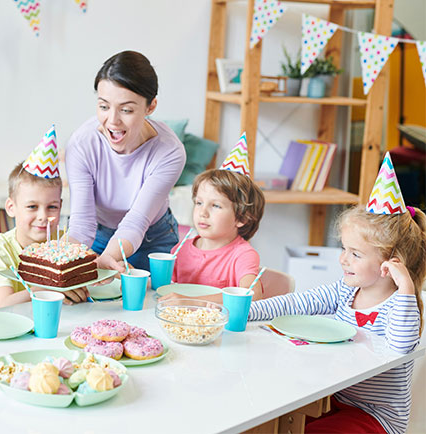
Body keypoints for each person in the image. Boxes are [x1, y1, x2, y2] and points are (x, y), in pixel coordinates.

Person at [249, 155, 425, 434]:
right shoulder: (346, 291)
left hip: (374, 416)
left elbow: (400, 348)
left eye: (355, 254)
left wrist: (404, 284)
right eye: (344, 249)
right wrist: (246, 310)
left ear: (390, 263)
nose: (343, 259)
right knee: (263, 417)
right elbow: (297, 303)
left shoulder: (399, 307)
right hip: (331, 398)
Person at [65, 51, 186, 272]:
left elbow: (136, 222)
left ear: (150, 107)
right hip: (98, 234)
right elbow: (82, 224)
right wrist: (65, 265)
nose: (112, 120)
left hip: (153, 237)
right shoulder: (82, 144)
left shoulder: (170, 152)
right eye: (104, 106)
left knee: (149, 302)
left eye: (126, 110)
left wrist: (106, 260)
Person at [160, 133, 265, 303]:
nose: (203, 212)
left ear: (242, 218)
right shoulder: (180, 249)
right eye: (199, 203)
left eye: (215, 206)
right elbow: (163, 289)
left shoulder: (243, 255)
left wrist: (194, 302)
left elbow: (251, 295)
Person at [0, 162, 89, 309]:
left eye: (52, 207)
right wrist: (52, 288)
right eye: (32, 207)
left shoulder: (64, 242)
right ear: (11, 207)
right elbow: (4, 303)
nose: (43, 216)